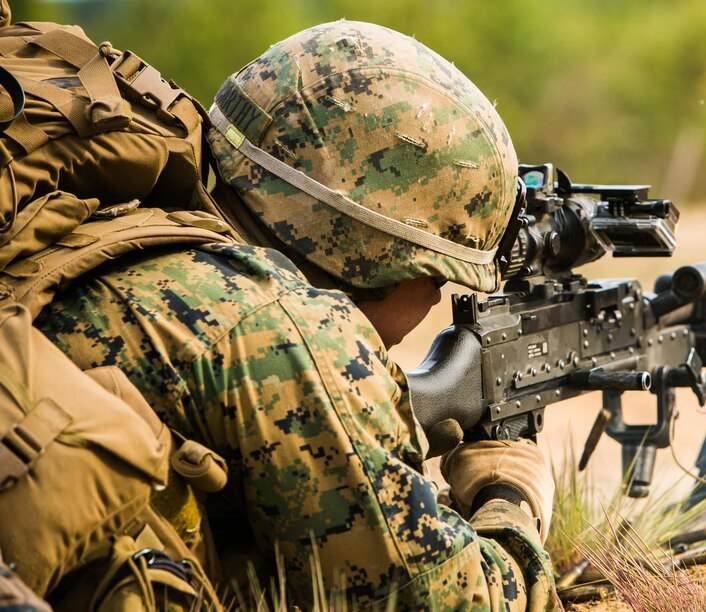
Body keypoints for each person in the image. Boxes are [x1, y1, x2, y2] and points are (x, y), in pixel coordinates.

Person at [33, 20, 557, 610]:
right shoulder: (280, 327)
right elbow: (448, 601)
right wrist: (510, 494)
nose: (436, 299)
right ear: (368, 253)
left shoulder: (118, 226)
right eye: (436, 275)